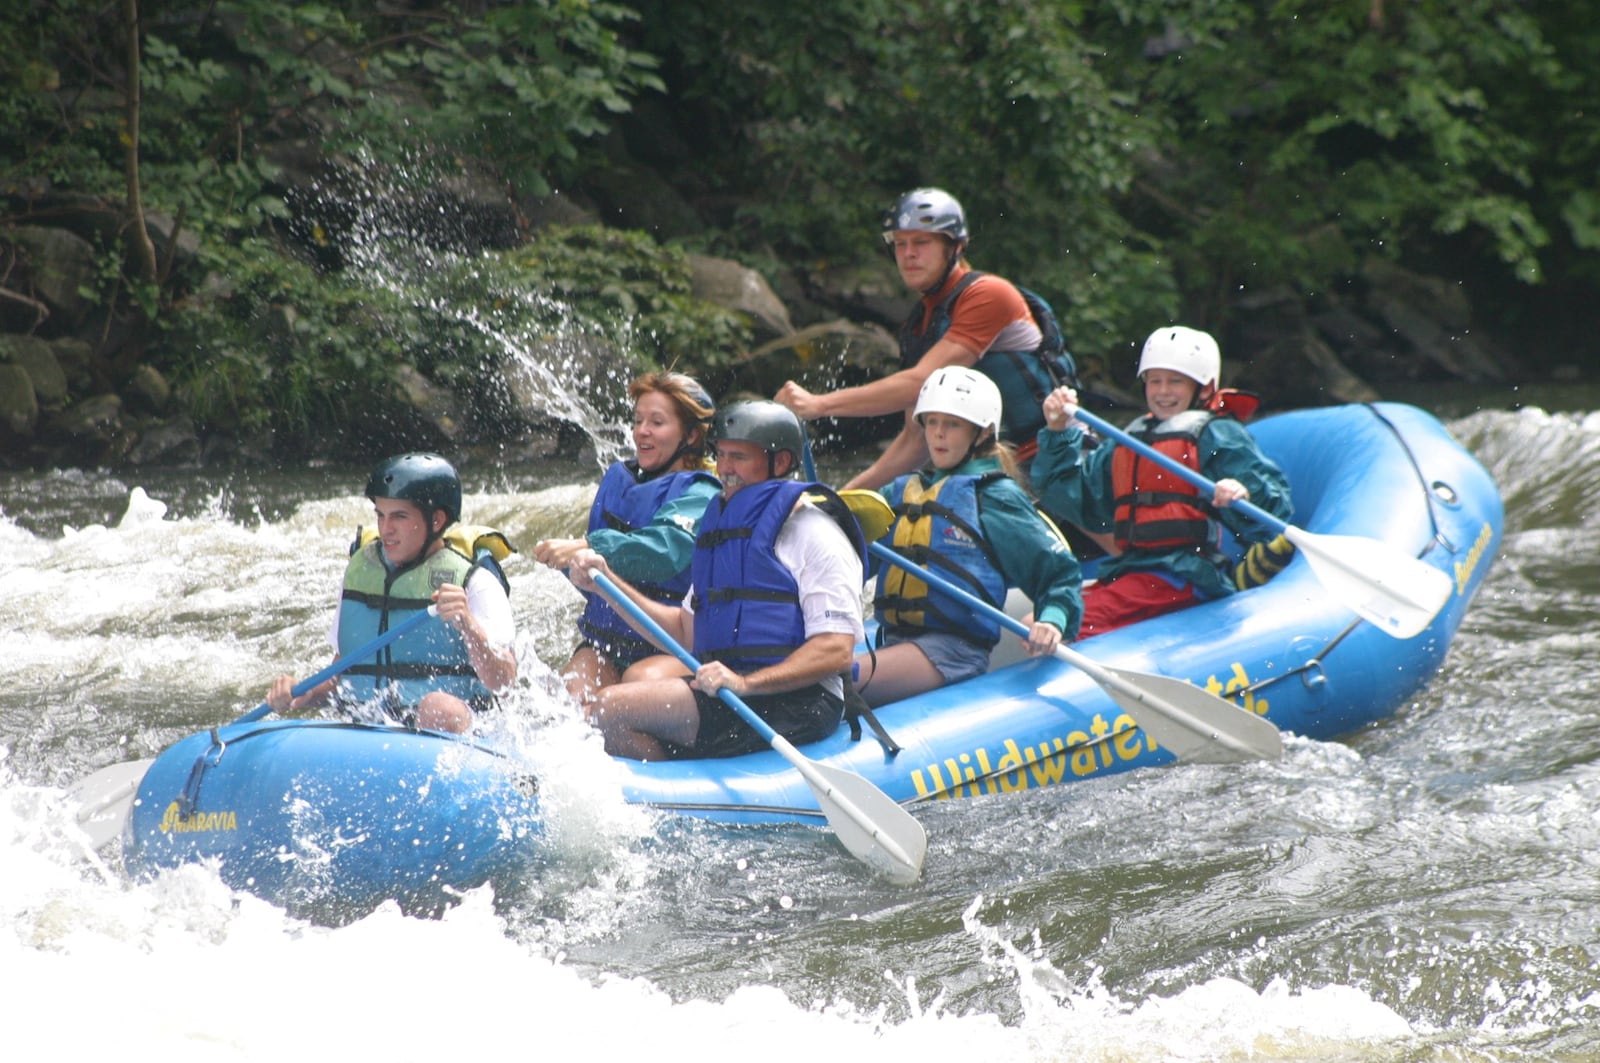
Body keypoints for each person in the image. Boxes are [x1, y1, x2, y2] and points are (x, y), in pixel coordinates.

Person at [569, 400, 867, 761]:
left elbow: (836, 649)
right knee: (593, 714)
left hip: (800, 700)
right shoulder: (723, 529)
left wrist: (745, 684)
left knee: (608, 709)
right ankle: (669, 794)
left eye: (738, 457)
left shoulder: (815, 533)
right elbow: (683, 632)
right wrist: (607, 584)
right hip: (729, 690)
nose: (724, 469)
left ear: (782, 462)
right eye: (721, 455)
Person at [774, 187, 1077, 491]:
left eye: (922, 242)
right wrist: (840, 501)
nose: (908, 254)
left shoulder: (988, 294)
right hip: (994, 478)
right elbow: (915, 440)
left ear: (955, 247)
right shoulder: (920, 325)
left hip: (1057, 463)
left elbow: (919, 383)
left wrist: (820, 404)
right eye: (900, 244)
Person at [1032, 325, 1293, 637]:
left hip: (1185, 576)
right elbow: (1078, 502)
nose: (1162, 391)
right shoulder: (1128, 440)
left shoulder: (1216, 433)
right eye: (1154, 380)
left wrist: (1244, 494)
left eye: (1176, 381)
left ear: (1204, 387)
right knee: (1040, 618)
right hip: (1132, 572)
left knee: (1056, 625)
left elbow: (1274, 514)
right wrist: (1058, 434)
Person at [857, 367, 1084, 706]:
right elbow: (850, 558)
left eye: (952, 424)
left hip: (953, 653)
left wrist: (1052, 619)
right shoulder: (901, 492)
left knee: (832, 681)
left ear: (980, 434)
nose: (938, 434)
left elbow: (1058, 573)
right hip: (895, 641)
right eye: (932, 422)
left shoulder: (994, 496)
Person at [266, 452, 518, 734]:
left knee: (439, 708)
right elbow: (342, 676)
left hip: (452, 731)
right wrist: (302, 693)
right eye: (381, 515)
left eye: (399, 516)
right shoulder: (361, 572)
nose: (385, 530)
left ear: (436, 520)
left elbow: (505, 682)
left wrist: (469, 626)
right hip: (370, 725)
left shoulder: (476, 582)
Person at [533, 371, 720, 704]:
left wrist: (589, 546)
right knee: (571, 693)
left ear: (691, 435)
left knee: (636, 681)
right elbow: (602, 579)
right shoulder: (622, 480)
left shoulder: (702, 493)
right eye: (637, 420)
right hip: (610, 642)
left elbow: (662, 553)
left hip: (673, 646)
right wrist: (568, 562)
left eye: (657, 423)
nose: (641, 432)